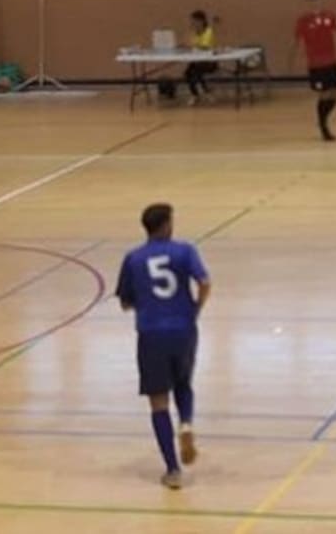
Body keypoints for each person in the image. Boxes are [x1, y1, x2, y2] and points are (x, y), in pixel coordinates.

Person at [115, 203, 211, 491]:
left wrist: (145, 301)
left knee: (158, 401)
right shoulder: (185, 251)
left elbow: (125, 303)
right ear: (167, 225)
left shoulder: (133, 258)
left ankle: (172, 470)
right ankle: (186, 423)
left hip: (151, 333)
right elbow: (204, 282)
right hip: (183, 329)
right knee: (183, 382)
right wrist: (195, 308)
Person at [292, 0, 336, 142]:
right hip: (316, 63)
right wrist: (296, 57)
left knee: (335, 93)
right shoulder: (303, 20)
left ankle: (323, 119)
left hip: (331, 60)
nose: (315, 2)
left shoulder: (329, 16)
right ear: (308, 1)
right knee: (324, 93)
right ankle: (324, 126)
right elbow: (298, 40)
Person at [183, 11, 218, 107]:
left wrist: (193, 46)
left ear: (201, 21)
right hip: (197, 61)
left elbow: (204, 47)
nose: (192, 23)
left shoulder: (208, 32)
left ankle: (206, 92)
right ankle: (195, 94)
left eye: (194, 21)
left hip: (209, 62)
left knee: (195, 72)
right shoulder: (194, 33)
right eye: (191, 21)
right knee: (187, 73)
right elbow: (192, 46)